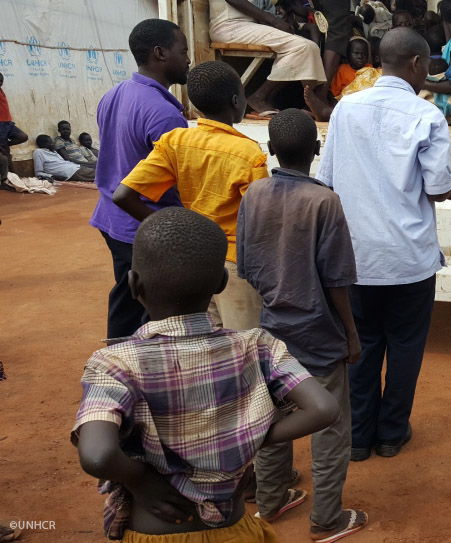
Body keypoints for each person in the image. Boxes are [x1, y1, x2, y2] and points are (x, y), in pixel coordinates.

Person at [72, 207, 339, 542]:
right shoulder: (256, 345)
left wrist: (139, 481)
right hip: (235, 529)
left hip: (156, 532)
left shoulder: (114, 363)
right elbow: (324, 408)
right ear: (222, 283)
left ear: (133, 284)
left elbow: (98, 455)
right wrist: (243, 440)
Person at [317, 27, 451, 461]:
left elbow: (326, 180)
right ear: (417, 64)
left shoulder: (346, 109)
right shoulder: (428, 116)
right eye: (428, 66)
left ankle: (358, 438)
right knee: (405, 348)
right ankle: (391, 435)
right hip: (409, 261)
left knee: (360, 348)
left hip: (358, 257)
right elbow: (437, 188)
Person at [238, 109, 368, 542]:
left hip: (272, 329)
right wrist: (350, 334)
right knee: (331, 426)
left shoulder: (253, 194)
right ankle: (327, 518)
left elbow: (248, 267)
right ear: (317, 149)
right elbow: (337, 279)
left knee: (272, 416)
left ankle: (271, 500)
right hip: (319, 333)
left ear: (271, 149)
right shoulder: (324, 201)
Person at [113, 60, 268, 331]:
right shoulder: (249, 154)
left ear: (196, 106)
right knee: (245, 349)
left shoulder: (174, 141)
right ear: (235, 100)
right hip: (236, 263)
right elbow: (261, 222)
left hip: (196, 262)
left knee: (202, 341)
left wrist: (177, 231)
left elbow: (123, 195)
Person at [91, 19, 190, 339]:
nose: (189, 59)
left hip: (112, 218)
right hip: (143, 224)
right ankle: (126, 369)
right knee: (151, 306)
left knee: (128, 294)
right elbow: (176, 182)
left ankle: (117, 360)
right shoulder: (165, 114)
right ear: (160, 53)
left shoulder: (114, 93)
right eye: (184, 51)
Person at [208, 0, 327, 114]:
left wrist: (280, 17)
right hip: (229, 26)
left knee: (311, 47)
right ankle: (259, 97)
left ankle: (312, 104)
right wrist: (273, 21)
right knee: (301, 47)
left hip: (248, 26)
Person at [0, 71, 28, 186]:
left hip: (7, 123)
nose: (0, 83)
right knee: (6, 155)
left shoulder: (1, 91)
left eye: (1, 81)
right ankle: (11, 178)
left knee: (23, 136)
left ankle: (5, 144)